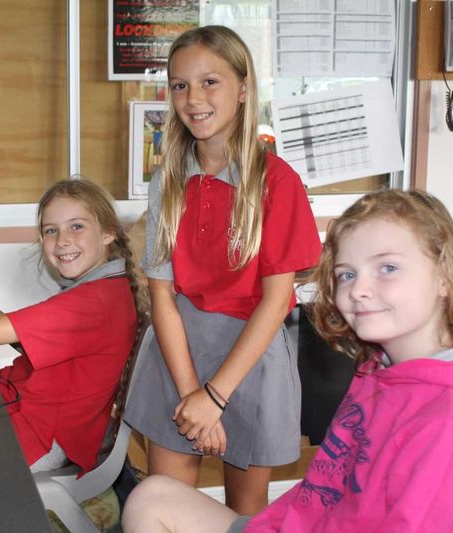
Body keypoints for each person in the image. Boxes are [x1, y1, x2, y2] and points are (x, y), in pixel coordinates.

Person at [122, 189, 453, 532]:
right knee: (152, 498)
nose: (359, 288)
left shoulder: (452, 421)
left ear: (444, 277)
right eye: (347, 273)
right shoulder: (379, 370)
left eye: (388, 268)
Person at [123, 25, 321, 513]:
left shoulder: (278, 181)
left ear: (243, 88)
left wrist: (216, 396)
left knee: (242, 516)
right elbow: (162, 296)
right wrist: (194, 394)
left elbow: (277, 301)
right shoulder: (166, 178)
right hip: (177, 354)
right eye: (179, 85)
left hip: (249, 357)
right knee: (162, 505)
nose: (194, 99)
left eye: (210, 81)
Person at [0, 179, 147, 474]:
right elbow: (32, 344)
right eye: (51, 230)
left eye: (76, 227)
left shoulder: (94, 301)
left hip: (41, 434)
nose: (62, 240)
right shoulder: (106, 288)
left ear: (107, 233)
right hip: (35, 411)